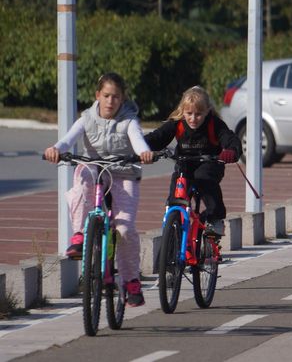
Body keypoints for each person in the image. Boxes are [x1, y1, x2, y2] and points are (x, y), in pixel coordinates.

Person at [43, 73, 156, 307]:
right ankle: (80, 235)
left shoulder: (129, 120)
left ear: (122, 99)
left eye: (116, 97)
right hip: (96, 171)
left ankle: (130, 280)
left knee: (124, 230)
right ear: (97, 96)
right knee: (83, 174)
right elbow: (68, 140)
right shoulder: (86, 118)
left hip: (124, 174)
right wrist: (55, 149)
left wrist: (144, 152)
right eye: (106, 96)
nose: (110, 101)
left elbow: (137, 140)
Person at [144, 86, 241, 237]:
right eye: (189, 113)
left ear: (207, 111)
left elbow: (230, 139)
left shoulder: (214, 124)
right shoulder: (178, 123)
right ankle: (173, 225)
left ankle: (214, 219)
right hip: (185, 163)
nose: (193, 118)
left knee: (204, 179)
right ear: (182, 111)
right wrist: (141, 147)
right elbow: (158, 137)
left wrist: (231, 151)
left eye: (198, 114)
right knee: (176, 191)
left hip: (210, 163)